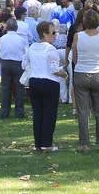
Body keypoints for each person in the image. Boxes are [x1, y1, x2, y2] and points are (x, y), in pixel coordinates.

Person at [24, 21, 67, 152]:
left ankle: (38, 143)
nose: (55, 35)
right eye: (53, 32)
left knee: (38, 114)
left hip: (34, 82)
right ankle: (47, 144)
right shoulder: (50, 49)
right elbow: (54, 69)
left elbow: (24, 64)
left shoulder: (31, 48)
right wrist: (64, 73)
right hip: (49, 83)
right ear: (44, 34)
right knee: (49, 114)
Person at [72, 10, 99, 153]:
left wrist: (81, 64)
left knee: (83, 112)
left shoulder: (78, 36)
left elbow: (74, 56)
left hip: (81, 73)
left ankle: (84, 144)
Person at [0, 18, 27, 119]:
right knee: (19, 89)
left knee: (6, 88)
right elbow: (26, 53)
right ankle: (19, 112)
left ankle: (4, 112)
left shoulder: (2, 38)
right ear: (16, 27)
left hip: (5, 63)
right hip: (17, 64)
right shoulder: (21, 39)